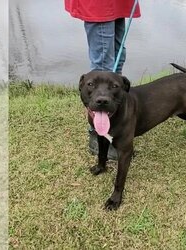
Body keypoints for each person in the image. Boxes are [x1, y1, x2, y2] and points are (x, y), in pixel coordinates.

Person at [65, 0, 141, 159]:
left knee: (117, 65)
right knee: (103, 66)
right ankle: (97, 134)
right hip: (99, 4)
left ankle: (114, 125)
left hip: (118, 3)